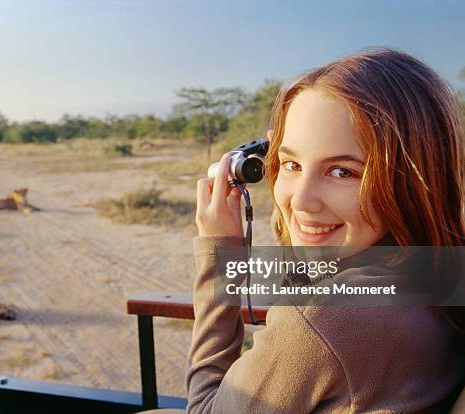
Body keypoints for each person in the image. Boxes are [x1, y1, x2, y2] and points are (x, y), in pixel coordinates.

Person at [188, 48, 464, 413]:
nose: (300, 202)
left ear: (412, 179)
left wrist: (219, 256)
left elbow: (204, 409)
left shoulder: (323, 320)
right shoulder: (439, 271)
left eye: (342, 172)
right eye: (290, 164)